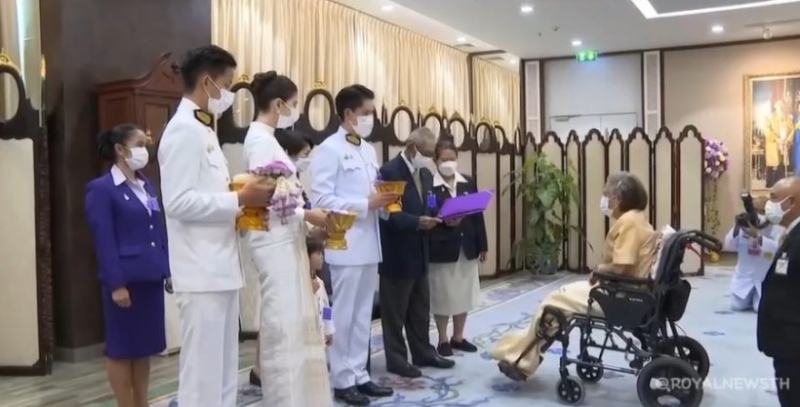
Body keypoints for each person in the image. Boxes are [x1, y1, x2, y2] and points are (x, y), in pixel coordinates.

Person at [158, 45, 275, 407]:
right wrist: (239, 200)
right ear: (207, 82)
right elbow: (177, 202)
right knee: (202, 375)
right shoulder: (183, 130)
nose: (227, 94)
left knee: (224, 373)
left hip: (221, 267)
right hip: (200, 271)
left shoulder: (204, 130)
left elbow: (210, 198)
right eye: (225, 85)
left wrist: (242, 211)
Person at [491, 172, 659, 379]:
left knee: (554, 303)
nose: (604, 199)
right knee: (561, 297)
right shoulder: (637, 218)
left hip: (619, 296)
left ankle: (522, 359)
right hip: (626, 291)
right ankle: (523, 354)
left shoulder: (629, 222)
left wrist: (599, 270)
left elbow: (623, 267)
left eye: (607, 194)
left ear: (619, 198)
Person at [242, 71, 333, 407]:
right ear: (278, 104)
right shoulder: (260, 141)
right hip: (272, 243)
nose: (295, 110)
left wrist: (309, 224)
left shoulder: (269, 140)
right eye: (294, 103)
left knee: (293, 325)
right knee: (282, 327)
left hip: (285, 239)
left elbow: (284, 199)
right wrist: (308, 215)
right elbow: (267, 198)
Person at [310, 84, 397, 406]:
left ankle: (360, 374)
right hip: (344, 243)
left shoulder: (368, 150)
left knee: (363, 315)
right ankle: (342, 380)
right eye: (366, 113)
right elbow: (322, 199)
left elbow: (372, 192)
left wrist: (385, 201)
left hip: (370, 243)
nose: (371, 118)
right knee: (344, 315)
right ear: (348, 113)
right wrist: (365, 204)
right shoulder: (328, 149)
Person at [85, 124, 170, 407]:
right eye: (140, 144)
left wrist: (166, 268)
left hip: (150, 277)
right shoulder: (102, 189)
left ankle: (142, 402)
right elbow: (103, 239)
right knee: (122, 350)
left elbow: (158, 228)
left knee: (143, 348)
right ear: (121, 150)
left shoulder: (147, 185)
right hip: (125, 281)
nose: (145, 150)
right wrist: (116, 283)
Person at [377, 127, 455, 378]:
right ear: (412, 147)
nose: (430, 158)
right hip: (397, 254)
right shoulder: (389, 172)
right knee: (395, 313)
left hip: (421, 252)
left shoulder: (426, 174)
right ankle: (397, 359)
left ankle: (423, 352)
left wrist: (443, 217)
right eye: (427, 153)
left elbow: (429, 203)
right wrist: (417, 222)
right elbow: (389, 214)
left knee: (420, 310)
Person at [248, 127, 317, 387]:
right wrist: (309, 217)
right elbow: (281, 210)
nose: (306, 160)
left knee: (288, 313)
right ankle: (263, 368)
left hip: (295, 244)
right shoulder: (273, 175)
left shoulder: (294, 181)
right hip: (275, 246)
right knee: (275, 313)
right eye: (304, 154)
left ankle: (280, 366)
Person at [428, 140, 488, 356]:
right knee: (443, 295)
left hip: (467, 245)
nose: (449, 163)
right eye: (444, 160)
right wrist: (444, 220)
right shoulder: (429, 185)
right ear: (435, 160)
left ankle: (458, 337)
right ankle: (443, 339)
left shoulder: (467, 182)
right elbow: (429, 212)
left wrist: (483, 245)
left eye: (452, 159)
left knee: (464, 293)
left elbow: (477, 215)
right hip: (442, 246)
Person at [757, 176, 800, 407]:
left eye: (773, 198)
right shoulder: (792, 234)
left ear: (791, 202)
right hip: (786, 341)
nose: (768, 204)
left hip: (793, 344)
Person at [722, 195, 782, 312]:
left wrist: (758, 236)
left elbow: (778, 249)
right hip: (744, 277)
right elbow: (728, 246)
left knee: (759, 308)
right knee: (737, 306)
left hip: (765, 277)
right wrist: (737, 230)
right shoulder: (744, 224)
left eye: (762, 211)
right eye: (756, 211)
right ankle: (750, 297)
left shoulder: (776, 227)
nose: (759, 215)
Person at [308, 237, 335, 347]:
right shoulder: (300, 284)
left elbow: (326, 308)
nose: (322, 257)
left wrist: (329, 329)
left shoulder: (320, 282)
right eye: (318, 253)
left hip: (320, 336)